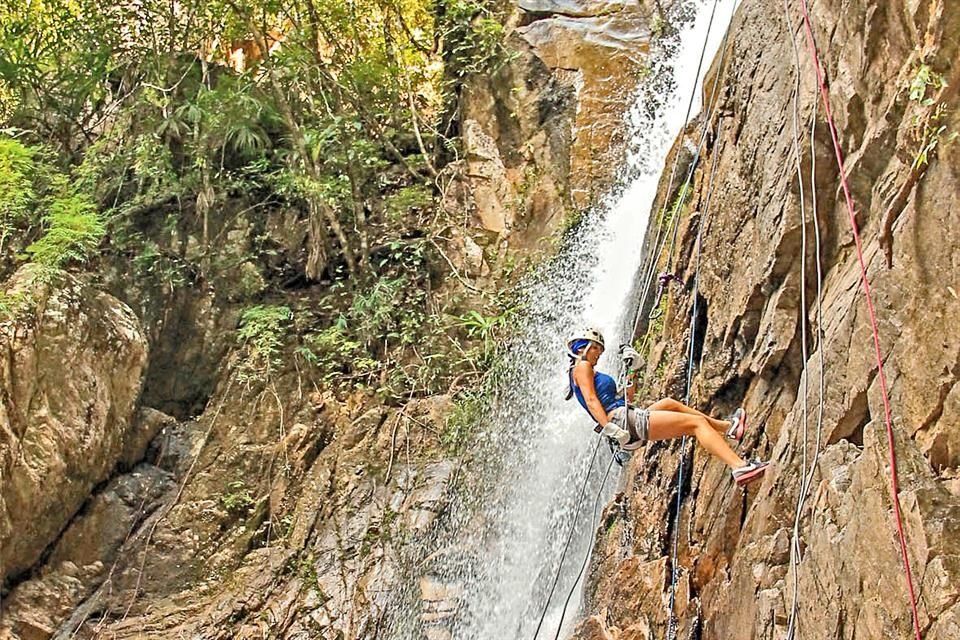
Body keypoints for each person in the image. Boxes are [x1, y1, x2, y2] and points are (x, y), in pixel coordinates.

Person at [566, 327, 769, 486]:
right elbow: (592, 400)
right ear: (582, 346)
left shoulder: (588, 371)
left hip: (625, 419)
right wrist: (611, 429)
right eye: (596, 349)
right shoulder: (582, 367)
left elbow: (628, 395)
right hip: (622, 422)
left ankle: (728, 427)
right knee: (696, 424)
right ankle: (740, 467)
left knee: (669, 404)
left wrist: (633, 370)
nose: (598, 354)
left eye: (600, 350)